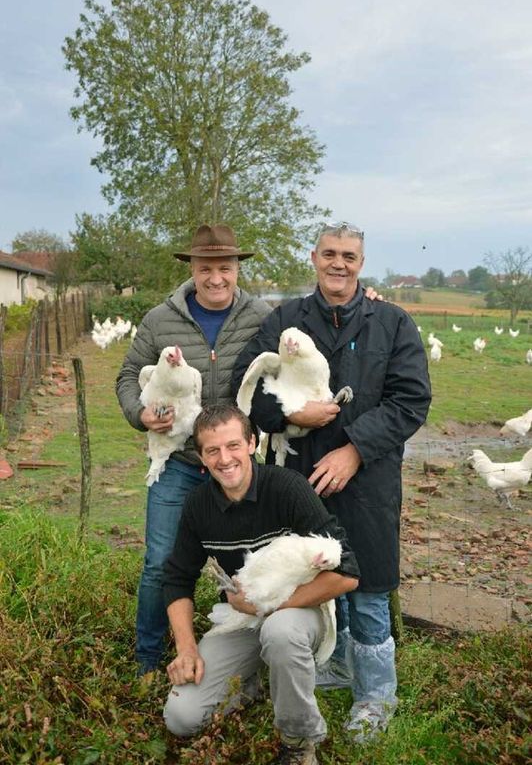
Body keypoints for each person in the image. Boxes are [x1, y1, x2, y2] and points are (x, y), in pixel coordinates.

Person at [231, 221, 431, 743]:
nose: (339, 263)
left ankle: (375, 695)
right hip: (298, 480)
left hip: (368, 484)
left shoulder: (392, 322)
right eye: (329, 254)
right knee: (316, 579)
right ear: (314, 258)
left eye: (349, 255)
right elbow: (243, 387)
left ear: (361, 264)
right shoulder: (285, 319)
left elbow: (411, 400)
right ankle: (336, 667)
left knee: (366, 588)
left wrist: (355, 449)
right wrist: (293, 412)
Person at [162, 404, 359, 765]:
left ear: (253, 442)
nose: (225, 459)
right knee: (181, 717)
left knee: (281, 632)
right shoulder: (198, 505)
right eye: (213, 450)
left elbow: (346, 573)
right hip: (242, 617)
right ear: (202, 459)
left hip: (299, 612)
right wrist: (187, 648)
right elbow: (177, 579)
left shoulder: (287, 488)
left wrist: (267, 606)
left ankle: (299, 743)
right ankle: (255, 683)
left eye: (234, 445)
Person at [116, 224, 271, 676]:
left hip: (237, 466)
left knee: (247, 562)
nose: (216, 278)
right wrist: (139, 414)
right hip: (179, 462)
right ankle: (147, 660)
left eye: (225, 267)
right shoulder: (160, 320)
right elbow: (128, 375)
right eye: (207, 268)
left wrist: (367, 299)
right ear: (193, 269)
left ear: (237, 268)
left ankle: (244, 660)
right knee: (160, 561)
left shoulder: (261, 316)